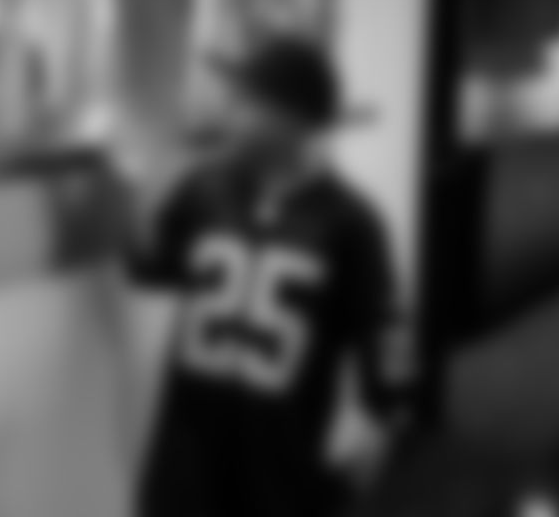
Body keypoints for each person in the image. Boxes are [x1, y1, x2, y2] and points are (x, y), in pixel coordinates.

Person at [119, 35, 412, 517]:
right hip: (185, 468)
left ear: (291, 120)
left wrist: (384, 419)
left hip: (281, 477)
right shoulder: (202, 190)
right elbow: (150, 270)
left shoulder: (351, 223)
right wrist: (131, 204)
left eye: (245, 102)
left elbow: (387, 331)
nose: (229, 114)